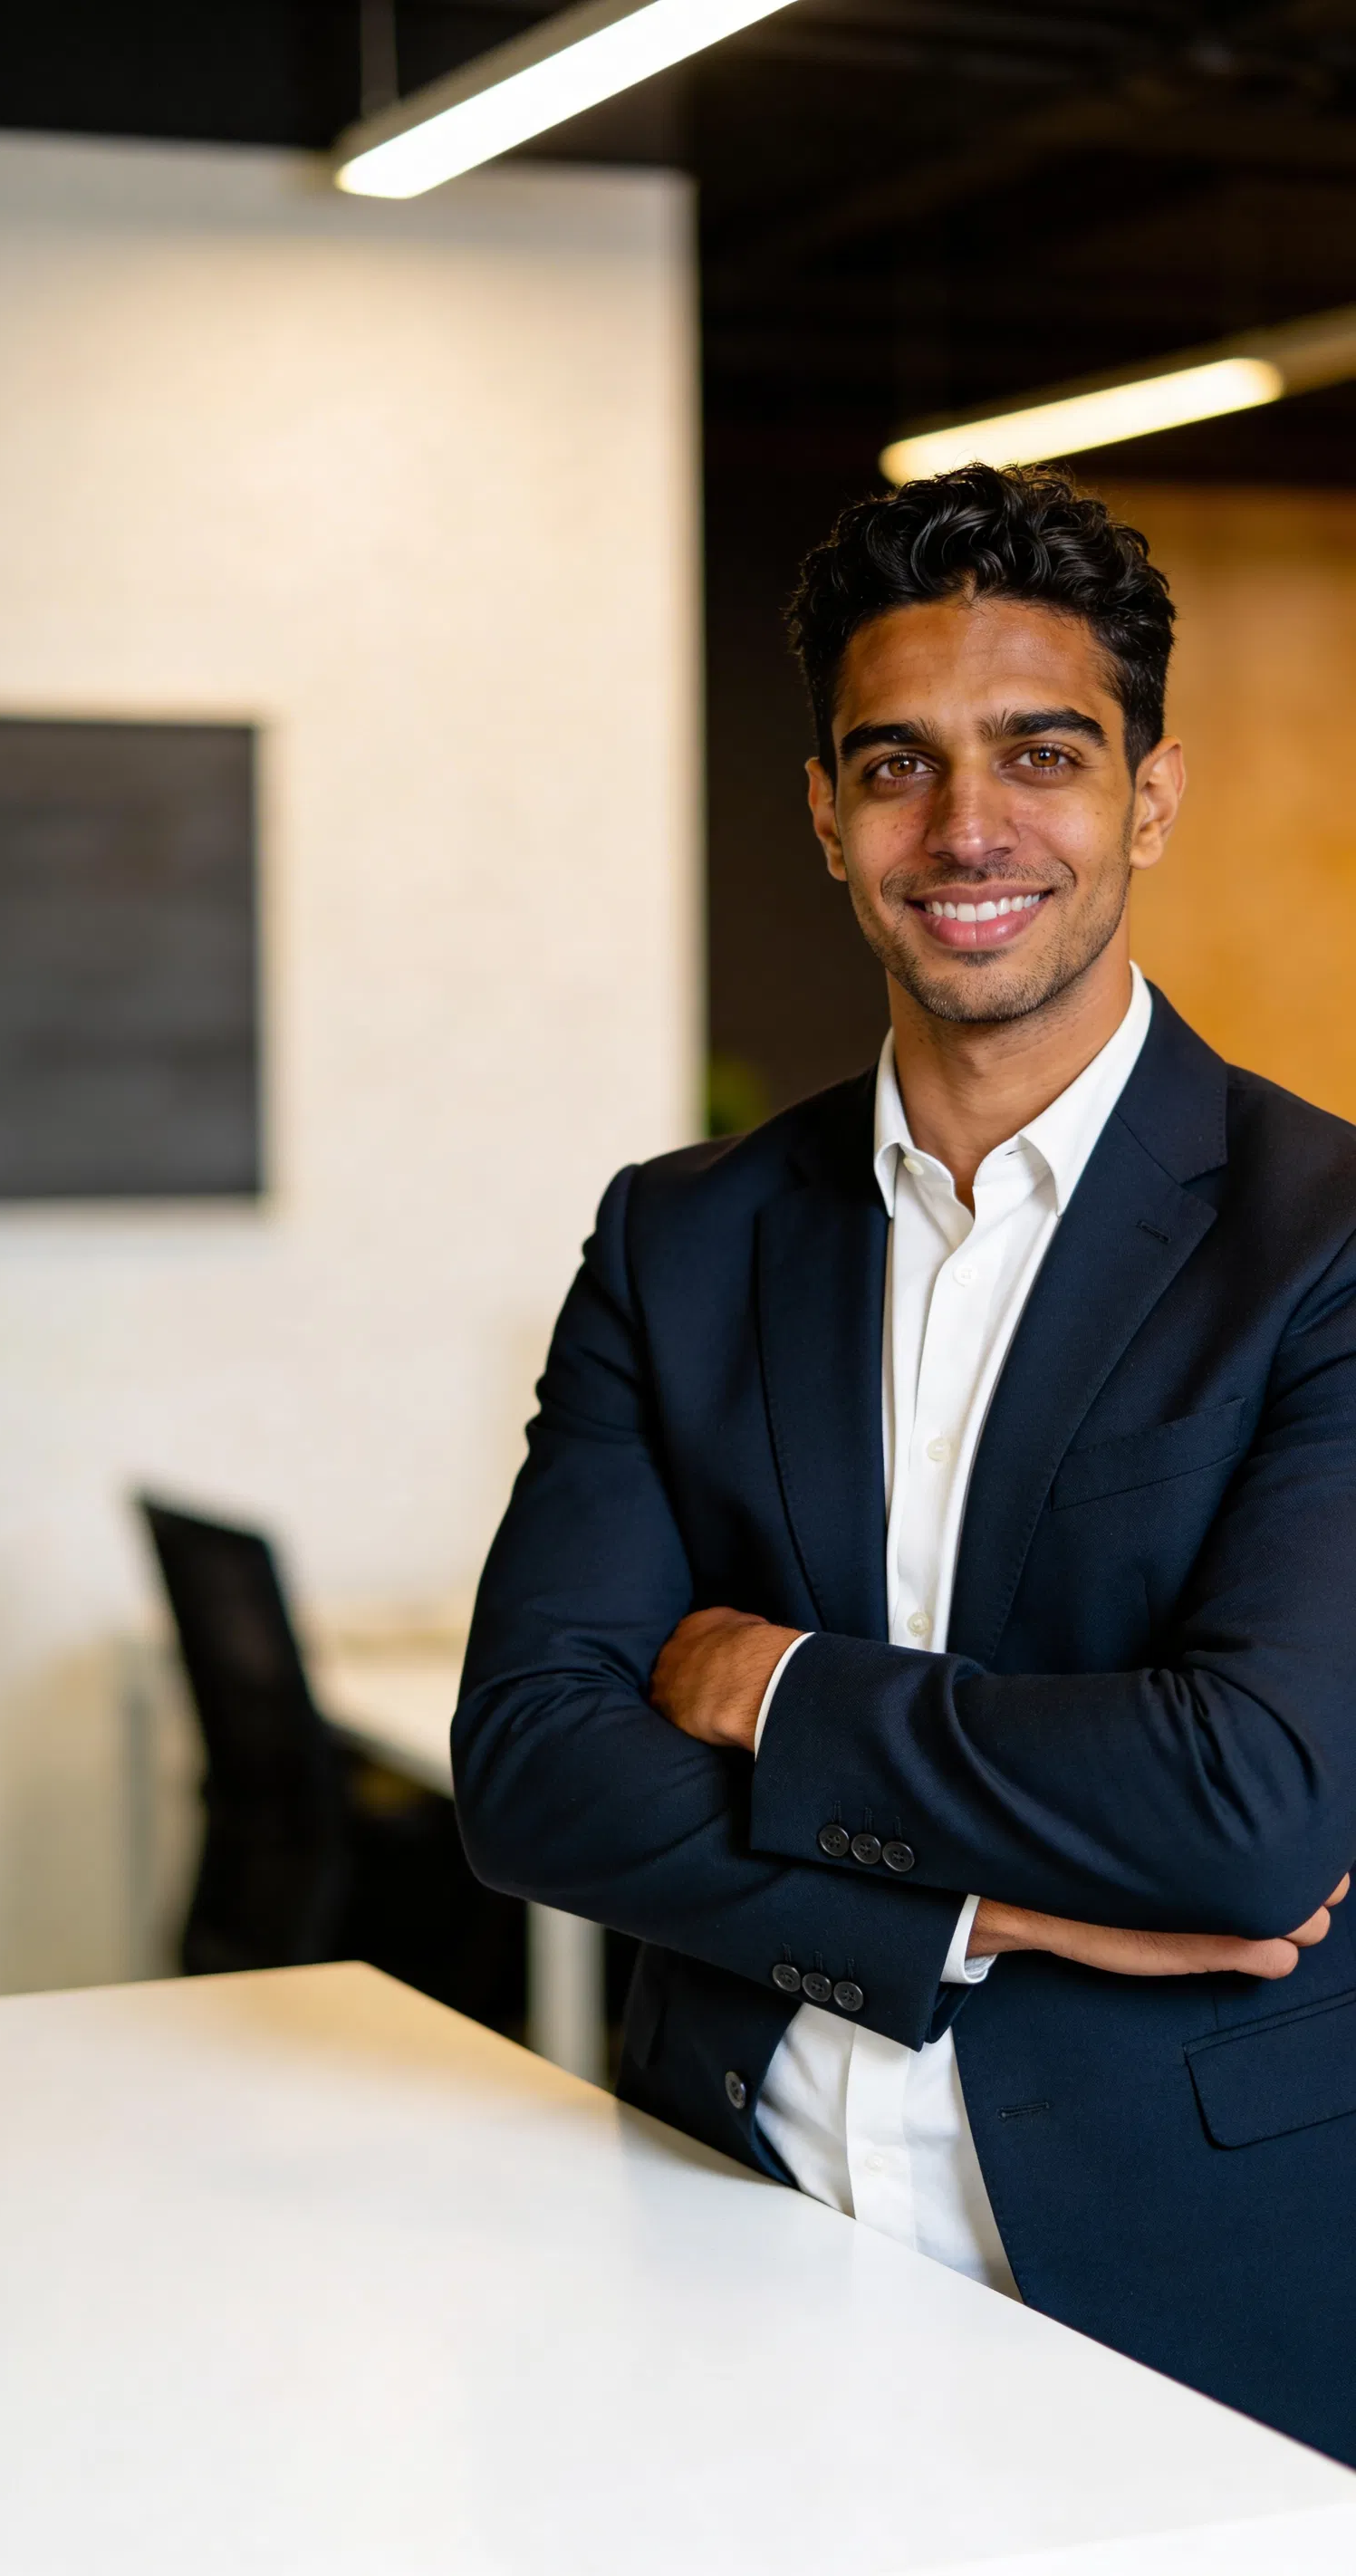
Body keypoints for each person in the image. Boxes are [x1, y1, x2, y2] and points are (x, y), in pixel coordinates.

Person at [452, 465, 1356, 2463]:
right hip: (715, 2237)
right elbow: (526, 1773)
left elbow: (1249, 1812)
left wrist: (771, 1687)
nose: (965, 829)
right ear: (822, 813)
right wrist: (983, 1914)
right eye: (896, 764)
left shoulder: (1322, 1240)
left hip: (1182, 2303)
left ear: (1147, 796)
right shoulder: (679, 1238)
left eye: (1041, 753)